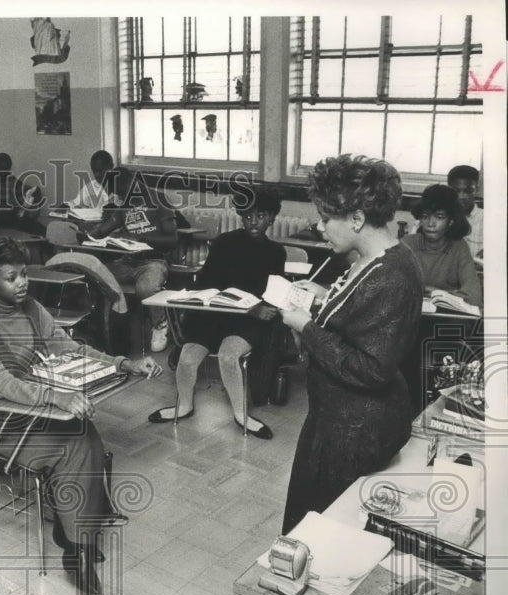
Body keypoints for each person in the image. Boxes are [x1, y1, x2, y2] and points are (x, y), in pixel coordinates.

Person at [0, 237, 161, 595]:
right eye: (11, 278)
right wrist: (58, 396)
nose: (22, 283)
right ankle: (76, 546)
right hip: (0, 422)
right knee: (78, 443)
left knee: (85, 435)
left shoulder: (32, 308)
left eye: (24, 274)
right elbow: (1, 382)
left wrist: (123, 363)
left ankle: (75, 543)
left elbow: (71, 350)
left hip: (37, 409)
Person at [278, 155, 422, 534]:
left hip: (355, 430)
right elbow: (363, 318)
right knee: (310, 518)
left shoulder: (391, 275)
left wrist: (306, 326)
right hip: (336, 419)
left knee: (324, 529)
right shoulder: (374, 259)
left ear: (356, 218)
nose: (319, 225)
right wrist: (323, 298)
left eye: (326, 218)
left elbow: (373, 369)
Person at [147, 188, 286, 438]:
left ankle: (241, 415)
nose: (253, 222)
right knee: (188, 356)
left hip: (249, 320)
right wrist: (190, 297)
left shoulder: (276, 252)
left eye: (261, 216)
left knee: (228, 356)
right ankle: (184, 406)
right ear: (241, 217)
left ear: (272, 218)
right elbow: (206, 282)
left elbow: (273, 293)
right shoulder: (224, 242)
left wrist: (259, 309)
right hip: (216, 315)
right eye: (248, 216)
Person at [86, 167, 183, 352]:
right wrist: (88, 235)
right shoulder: (126, 204)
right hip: (127, 261)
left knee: (145, 288)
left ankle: (159, 323)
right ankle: (102, 326)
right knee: (94, 274)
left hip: (153, 261)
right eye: (118, 194)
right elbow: (104, 229)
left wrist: (142, 238)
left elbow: (172, 240)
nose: (121, 197)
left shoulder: (159, 200)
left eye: (121, 192)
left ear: (134, 183)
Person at [401, 184, 482, 307]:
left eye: (439, 217)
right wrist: (452, 294)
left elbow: (474, 298)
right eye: (425, 216)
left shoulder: (459, 247)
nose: (430, 224)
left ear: (451, 221)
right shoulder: (407, 244)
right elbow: (393, 289)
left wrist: (436, 292)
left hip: (445, 318)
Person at [59, 150, 118, 215]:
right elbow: (76, 203)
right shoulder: (91, 187)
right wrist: (67, 205)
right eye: (94, 170)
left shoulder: (121, 185)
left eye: (100, 170)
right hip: (96, 223)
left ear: (111, 167)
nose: (96, 175)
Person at [447, 165, 483, 260]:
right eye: (456, 191)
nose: (461, 196)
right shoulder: (440, 218)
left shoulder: (488, 219)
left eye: (468, 191)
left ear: (477, 189)